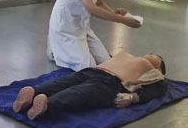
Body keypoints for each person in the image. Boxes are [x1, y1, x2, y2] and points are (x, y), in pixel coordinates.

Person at [12, 50, 167, 120]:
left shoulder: (154, 73)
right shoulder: (128, 55)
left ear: (159, 68)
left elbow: (159, 89)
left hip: (109, 83)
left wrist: (133, 98)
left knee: (77, 93)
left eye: (155, 56)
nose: (150, 53)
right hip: (92, 71)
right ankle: (32, 95)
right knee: (60, 83)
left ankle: (47, 107)